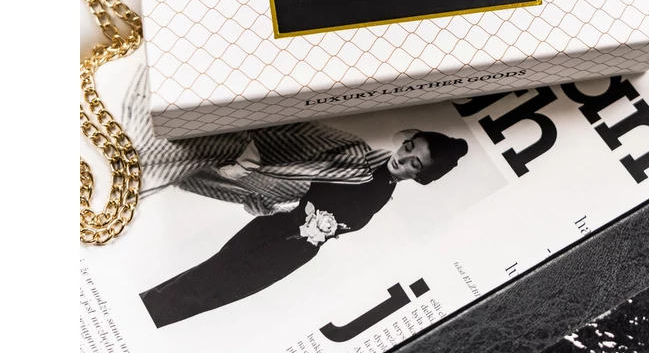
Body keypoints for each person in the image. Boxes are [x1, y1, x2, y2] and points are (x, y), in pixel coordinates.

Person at [139, 127, 468, 328]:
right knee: (206, 282)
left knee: (215, 293)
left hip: (293, 254)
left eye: (415, 163)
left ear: (420, 176)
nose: (403, 159)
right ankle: (143, 314)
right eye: (408, 148)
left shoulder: (383, 192)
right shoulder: (356, 157)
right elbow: (300, 175)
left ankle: (144, 316)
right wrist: (270, 201)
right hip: (275, 233)